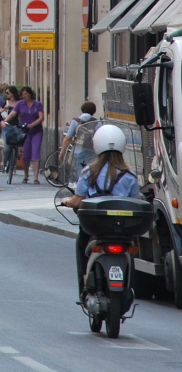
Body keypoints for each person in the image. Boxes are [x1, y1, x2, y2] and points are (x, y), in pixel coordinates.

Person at [63, 124, 142, 298]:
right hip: (122, 229)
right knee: (133, 247)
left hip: (96, 227)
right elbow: (136, 202)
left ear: (97, 145)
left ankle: (84, 280)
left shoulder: (88, 172)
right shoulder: (129, 176)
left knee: (82, 243)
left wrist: (67, 201)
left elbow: (77, 200)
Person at [13, 86, 45, 183]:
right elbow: (13, 113)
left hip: (36, 131)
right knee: (26, 154)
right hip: (24, 132)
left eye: (26, 94)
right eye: (22, 94)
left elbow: (41, 117)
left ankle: (35, 177)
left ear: (30, 94)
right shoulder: (20, 104)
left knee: (35, 153)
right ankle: (26, 175)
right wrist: (3, 121)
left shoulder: (37, 104)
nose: (24, 96)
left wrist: (33, 124)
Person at [60, 101, 98, 171]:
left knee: (80, 174)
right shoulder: (97, 122)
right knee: (91, 173)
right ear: (94, 111)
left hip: (79, 151)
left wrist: (62, 153)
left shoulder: (76, 121)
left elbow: (67, 138)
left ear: (82, 109)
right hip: (92, 152)